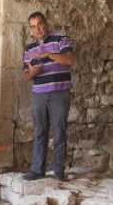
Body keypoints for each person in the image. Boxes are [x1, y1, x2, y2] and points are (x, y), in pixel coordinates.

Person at [22, 11, 75, 181]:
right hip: (39, 94)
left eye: (40, 24)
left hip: (59, 92)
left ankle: (59, 171)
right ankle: (37, 170)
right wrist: (33, 72)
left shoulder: (61, 40)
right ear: (31, 29)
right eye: (33, 26)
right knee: (40, 132)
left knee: (59, 131)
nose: (37, 29)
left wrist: (48, 55)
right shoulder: (29, 49)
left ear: (46, 23)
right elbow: (26, 75)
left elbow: (69, 60)